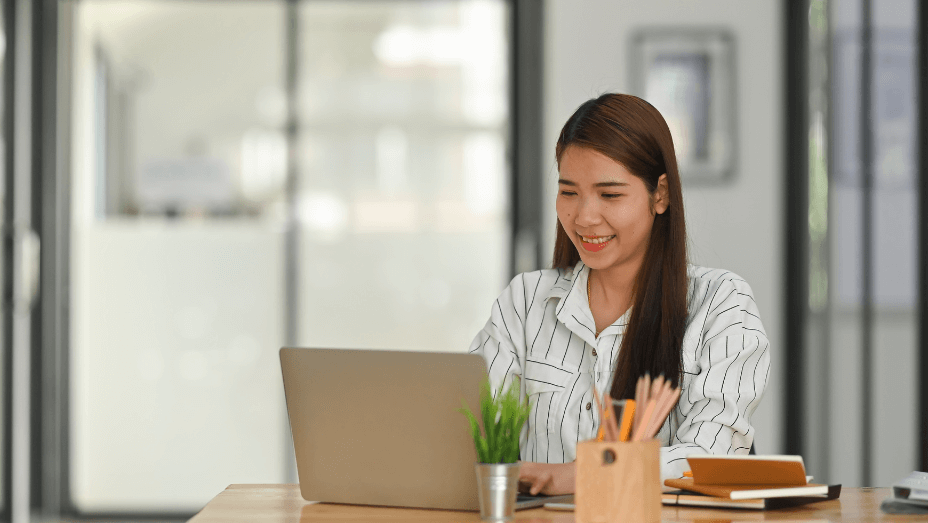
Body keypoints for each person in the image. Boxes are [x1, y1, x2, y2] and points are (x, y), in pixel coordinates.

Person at [468, 93, 770, 496]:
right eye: (569, 192)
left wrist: (581, 473)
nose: (584, 217)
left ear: (659, 195)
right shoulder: (525, 301)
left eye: (610, 195)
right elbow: (470, 437)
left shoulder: (720, 304)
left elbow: (712, 459)